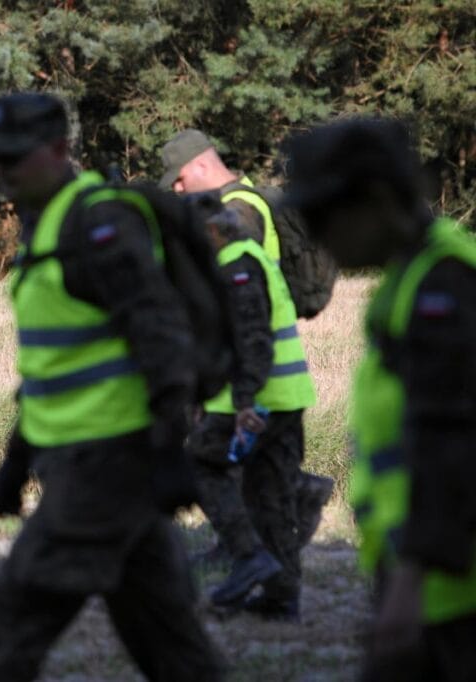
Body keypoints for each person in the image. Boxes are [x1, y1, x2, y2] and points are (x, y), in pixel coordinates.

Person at [0, 92, 223, 681]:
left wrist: (165, 452)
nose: (2, 169)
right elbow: (57, 368)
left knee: (6, 626)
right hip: (85, 462)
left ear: (58, 150)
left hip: (106, 468)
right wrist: (16, 464)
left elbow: (160, 336)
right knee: (169, 643)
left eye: (15, 156)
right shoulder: (46, 226)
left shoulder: (97, 224)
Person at [285, 118, 476, 682]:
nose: (318, 236)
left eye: (322, 216)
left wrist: (411, 582)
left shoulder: (444, 286)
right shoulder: (413, 273)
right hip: (432, 579)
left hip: (451, 589)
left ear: (374, 201)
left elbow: (454, 442)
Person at [159, 128, 334, 556]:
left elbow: (232, 286)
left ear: (201, 164)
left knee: (214, 450)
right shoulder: (240, 202)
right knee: (240, 453)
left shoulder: (239, 209)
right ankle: (268, 522)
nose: (177, 189)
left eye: (179, 179)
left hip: (249, 353)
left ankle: (252, 538)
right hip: (247, 351)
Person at [187, 207, 316, 620]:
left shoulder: (236, 267)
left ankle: (248, 557)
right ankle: (283, 597)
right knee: (270, 494)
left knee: (200, 462)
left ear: (212, 231)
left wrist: (244, 402)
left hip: (255, 400)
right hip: (285, 397)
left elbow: (254, 338)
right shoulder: (253, 257)